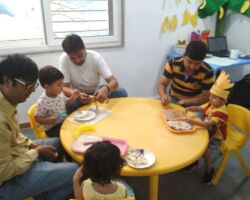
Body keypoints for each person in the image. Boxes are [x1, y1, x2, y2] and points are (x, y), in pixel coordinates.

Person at [0, 54, 78, 200]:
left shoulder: (7, 102)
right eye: (28, 85)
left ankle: (45, 189)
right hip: (6, 182)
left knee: (59, 142)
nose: (33, 90)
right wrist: (36, 152)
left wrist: (32, 145)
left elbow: (15, 136)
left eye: (34, 85)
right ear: (7, 81)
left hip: (17, 153)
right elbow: (4, 171)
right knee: (75, 171)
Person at [184, 71, 234, 184]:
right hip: (207, 131)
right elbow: (199, 108)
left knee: (206, 153)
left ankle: (209, 169)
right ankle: (194, 161)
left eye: (215, 97)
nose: (210, 99)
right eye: (211, 95)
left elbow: (208, 124)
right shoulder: (211, 104)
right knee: (195, 143)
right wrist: (190, 108)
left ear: (224, 100)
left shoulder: (221, 113)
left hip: (216, 136)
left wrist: (192, 121)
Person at [59, 34, 128, 113]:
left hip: (96, 93)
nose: (77, 60)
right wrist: (77, 95)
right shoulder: (64, 59)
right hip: (78, 95)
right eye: (72, 58)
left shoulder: (95, 57)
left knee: (122, 92)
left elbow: (114, 82)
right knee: (65, 106)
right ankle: (92, 107)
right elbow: (64, 88)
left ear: (84, 48)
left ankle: (94, 106)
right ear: (67, 54)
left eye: (80, 56)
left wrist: (106, 89)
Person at [157, 40, 214, 107]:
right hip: (173, 99)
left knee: (193, 117)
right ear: (183, 55)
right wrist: (163, 96)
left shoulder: (208, 72)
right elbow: (162, 84)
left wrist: (185, 102)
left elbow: (205, 97)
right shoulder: (173, 63)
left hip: (195, 103)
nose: (192, 66)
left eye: (197, 63)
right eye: (189, 61)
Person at [35, 65, 79, 137]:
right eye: (59, 84)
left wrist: (74, 97)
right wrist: (47, 120)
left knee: (77, 128)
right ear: (47, 87)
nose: (62, 86)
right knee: (68, 137)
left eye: (62, 83)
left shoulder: (60, 94)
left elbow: (66, 104)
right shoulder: (42, 102)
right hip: (52, 128)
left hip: (64, 122)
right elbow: (37, 118)